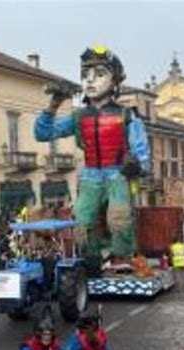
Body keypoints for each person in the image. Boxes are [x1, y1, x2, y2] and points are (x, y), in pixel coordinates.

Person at [34, 46, 151, 271]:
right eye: (85, 75)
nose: (90, 81)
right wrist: (53, 105)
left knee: (118, 217)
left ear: (114, 81)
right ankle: (92, 259)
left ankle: (122, 257)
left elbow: (141, 153)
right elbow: (43, 134)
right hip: (90, 175)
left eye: (99, 75)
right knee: (82, 219)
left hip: (117, 173)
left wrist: (138, 165)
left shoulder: (127, 115)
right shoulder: (79, 116)